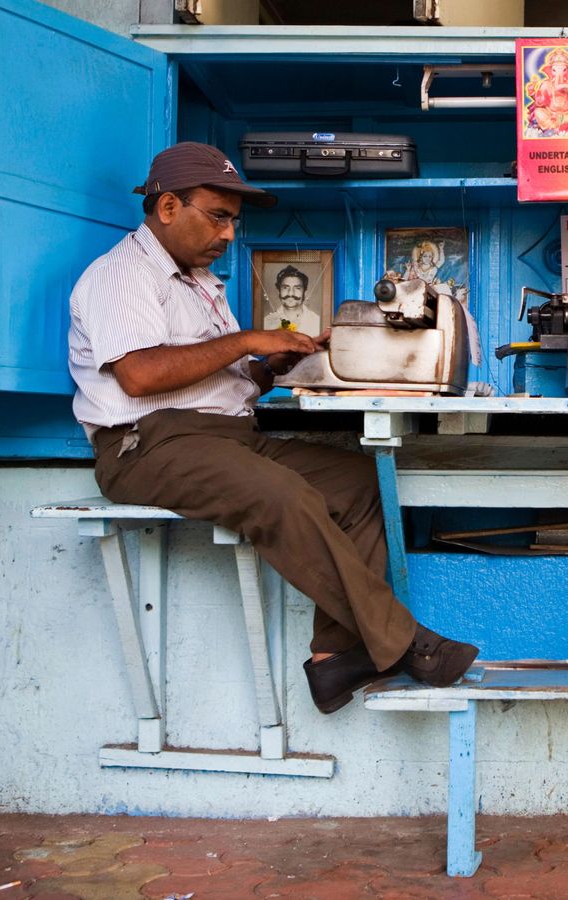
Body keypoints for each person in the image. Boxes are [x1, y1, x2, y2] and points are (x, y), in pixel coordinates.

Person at [67, 142, 478, 715]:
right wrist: (249, 339)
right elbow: (138, 375)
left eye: (234, 221)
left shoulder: (200, 283)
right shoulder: (122, 274)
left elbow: (211, 383)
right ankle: (407, 642)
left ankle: (336, 661)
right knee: (280, 495)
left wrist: (268, 370)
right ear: (166, 208)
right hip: (147, 445)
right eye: (217, 216)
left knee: (361, 484)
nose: (230, 233)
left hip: (227, 437)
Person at [263, 264, 321, 333]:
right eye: (285, 288)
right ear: (279, 291)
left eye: (297, 288)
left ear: (305, 293)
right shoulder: (266, 323)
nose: (291, 293)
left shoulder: (317, 322)